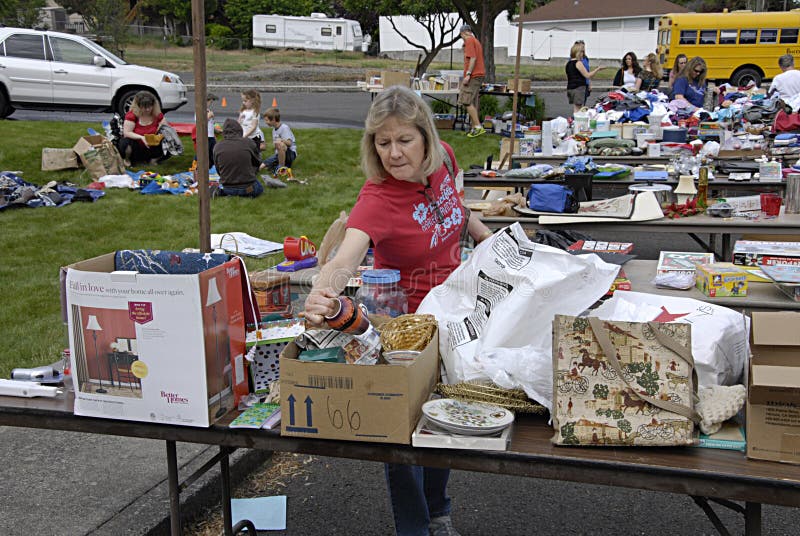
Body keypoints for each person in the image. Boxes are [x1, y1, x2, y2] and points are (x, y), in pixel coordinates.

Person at [303, 85, 493, 536]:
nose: (393, 153)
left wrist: (499, 245)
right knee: (399, 432)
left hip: (453, 312)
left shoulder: (444, 157)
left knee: (441, 419)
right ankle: (415, 528)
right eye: (382, 142)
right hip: (401, 326)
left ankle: (438, 511)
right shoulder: (377, 199)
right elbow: (345, 258)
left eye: (404, 140)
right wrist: (322, 293)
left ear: (425, 137)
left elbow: (459, 212)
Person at [212, 118, 263, 197]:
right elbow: (257, 162)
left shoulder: (217, 146)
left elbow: (218, 169)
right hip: (248, 188)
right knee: (259, 187)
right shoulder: (248, 142)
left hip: (227, 187)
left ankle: (224, 193)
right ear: (239, 129)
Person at [118, 91, 168, 166]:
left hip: (152, 146)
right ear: (138, 106)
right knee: (125, 143)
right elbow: (127, 133)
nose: (147, 109)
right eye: (144, 107)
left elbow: (166, 129)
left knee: (170, 141)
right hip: (136, 147)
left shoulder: (158, 115)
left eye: (150, 106)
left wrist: (159, 135)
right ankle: (128, 159)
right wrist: (142, 137)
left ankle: (154, 159)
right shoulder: (132, 115)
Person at [458, 24, 486, 138]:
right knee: (469, 101)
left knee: (466, 101)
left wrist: (468, 74)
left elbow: (473, 58)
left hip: (474, 75)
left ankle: (478, 127)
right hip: (477, 75)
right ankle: (475, 127)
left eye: (461, 37)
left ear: (463, 33)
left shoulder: (469, 41)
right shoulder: (475, 41)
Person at [566, 42, 604, 113]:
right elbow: (587, 75)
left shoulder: (568, 63)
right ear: (578, 52)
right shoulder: (578, 63)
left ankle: (576, 122)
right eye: (581, 52)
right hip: (578, 88)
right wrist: (597, 69)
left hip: (570, 88)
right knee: (579, 109)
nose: (582, 54)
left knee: (576, 107)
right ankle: (577, 123)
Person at [261, 107, 297, 176]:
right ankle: (258, 170)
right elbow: (276, 148)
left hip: (290, 154)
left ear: (274, 119)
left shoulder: (284, 128)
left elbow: (289, 143)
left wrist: (281, 140)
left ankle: (281, 168)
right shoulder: (274, 130)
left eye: (267, 120)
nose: (265, 122)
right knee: (265, 164)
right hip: (280, 155)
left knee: (280, 144)